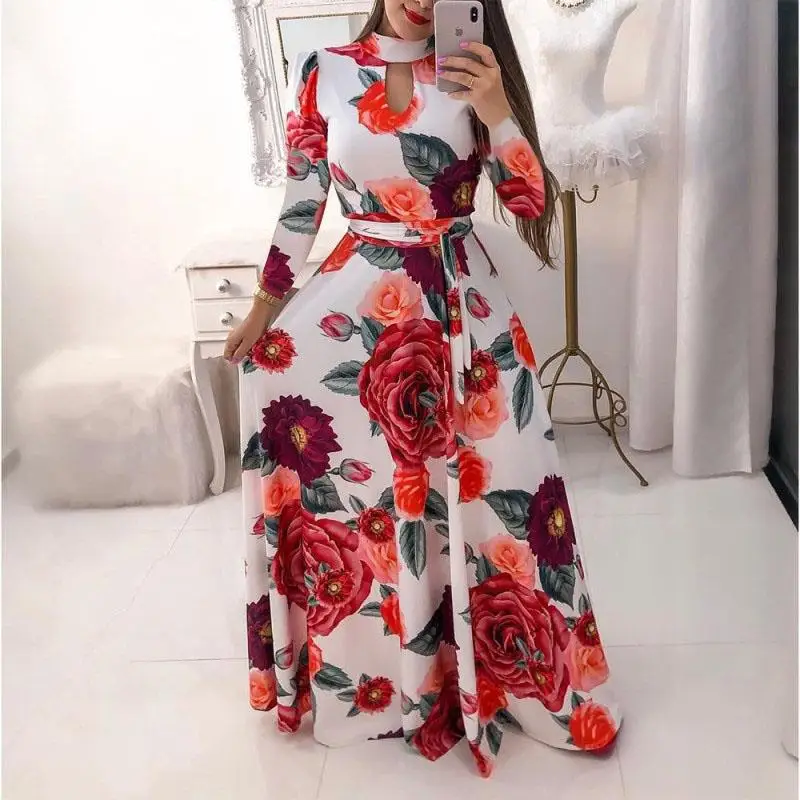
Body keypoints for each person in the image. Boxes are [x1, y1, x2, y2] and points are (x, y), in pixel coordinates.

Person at [225, 0, 620, 778]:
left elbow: (530, 203)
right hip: (363, 305)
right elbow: (303, 203)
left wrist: (497, 111)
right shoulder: (325, 72)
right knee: (374, 502)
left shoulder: (472, 71)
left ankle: (519, 680)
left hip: (464, 312)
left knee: (504, 494)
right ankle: (387, 681)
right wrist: (264, 309)